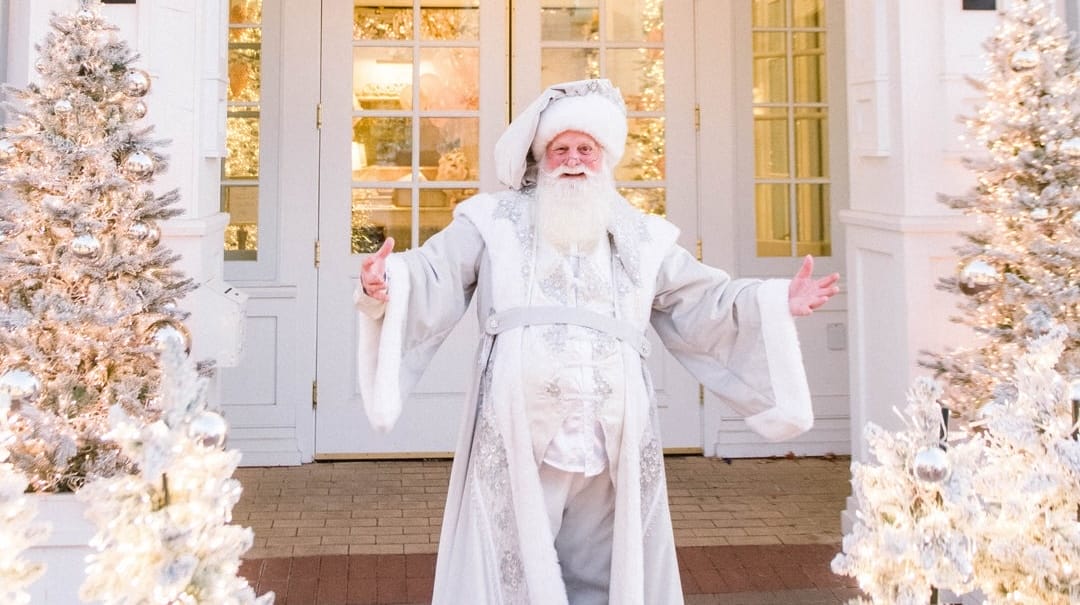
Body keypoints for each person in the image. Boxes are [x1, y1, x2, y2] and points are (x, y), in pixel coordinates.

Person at [354, 79, 839, 605]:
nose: (573, 161)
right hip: (519, 431)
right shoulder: (494, 220)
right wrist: (386, 281)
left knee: (604, 573)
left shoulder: (640, 234)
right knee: (512, 563)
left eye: (585, 148)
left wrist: (775, 300)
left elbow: (704, 297)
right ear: (541, 158)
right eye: (560, 149)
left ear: (604, 156)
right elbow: (434, 270)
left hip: (611, 437)